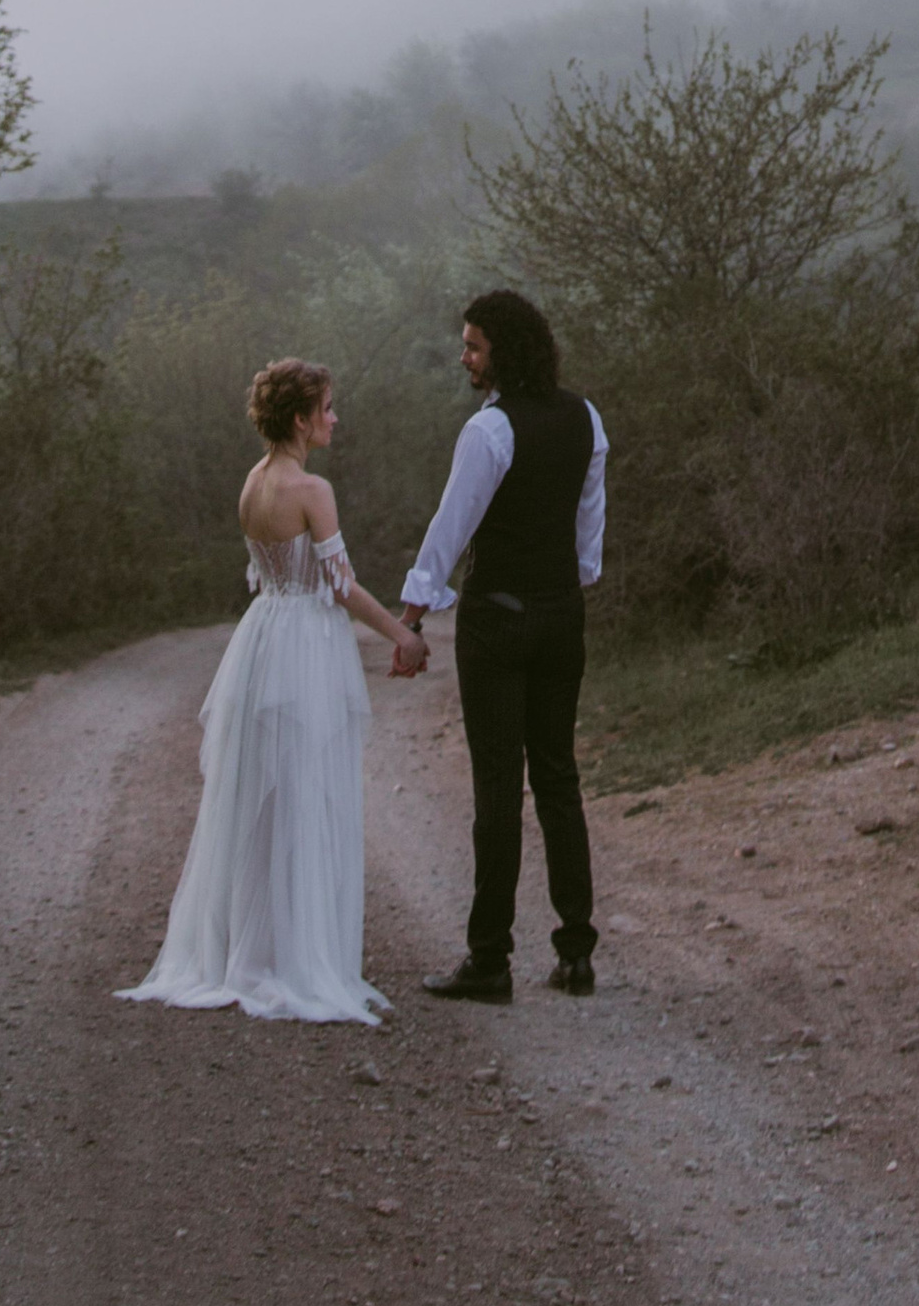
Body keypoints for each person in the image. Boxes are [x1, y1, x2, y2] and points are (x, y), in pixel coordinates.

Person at [120, 354, 428, 1023]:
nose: (335, 418)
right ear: (301, 418)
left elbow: (270, 574)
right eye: (327, 409)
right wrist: (401, 635)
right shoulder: (310, 491)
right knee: (305, 791)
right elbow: (340, 587)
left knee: (261, 794)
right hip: (304, 645)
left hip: (262, 638)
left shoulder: (253, 482)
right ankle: (295, 955)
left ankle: (249, 945)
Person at [402, 289, 609, 1003]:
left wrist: (415, 606)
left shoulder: (488, 432)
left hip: (496, 620)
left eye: (474, 346)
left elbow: (450, 526)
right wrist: (568, 584)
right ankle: (576, 954)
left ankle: (490, 959)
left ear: (503, 353)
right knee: (558, 777)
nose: (465, 357)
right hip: (562, 613)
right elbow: (589, 527)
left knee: (498, 788)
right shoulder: (585, 416)